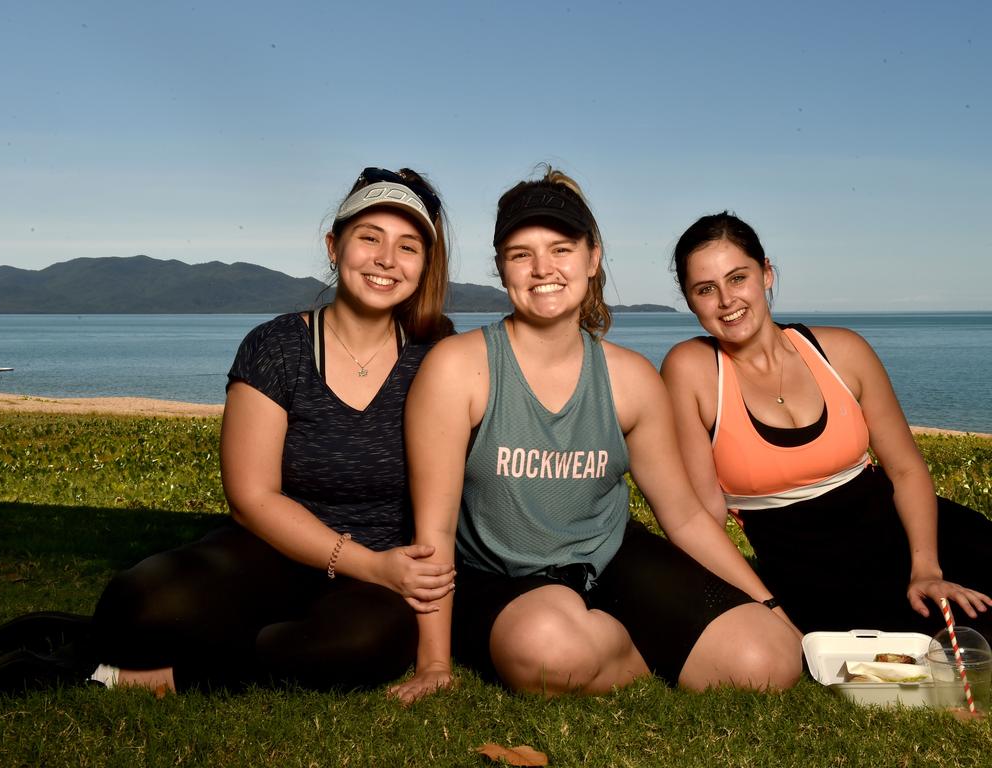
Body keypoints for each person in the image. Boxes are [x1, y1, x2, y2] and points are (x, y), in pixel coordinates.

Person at [0, 167, 456, 705]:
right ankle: (98, 632)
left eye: (407, 246)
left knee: (364, 645)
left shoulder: (436, 359)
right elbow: (251, 498)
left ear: (423, 266)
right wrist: (365, 560)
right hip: (271, 553)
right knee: (144, 603)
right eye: (369, 237)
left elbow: (442, 506)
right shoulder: (276, 346)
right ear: (333, 245)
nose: (387, 259)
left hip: (375, 581)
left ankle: (100, 669)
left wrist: (403, 606)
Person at [389, 169, 802, 705]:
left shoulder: (630, 379)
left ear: (592, 257)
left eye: (561, 249)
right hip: (500, 577)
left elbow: (682, 516)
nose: (543, 269)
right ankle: (628, 646)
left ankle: (616, 634)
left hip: (608, 562)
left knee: (765, 660)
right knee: (550, 648)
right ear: (501, 269)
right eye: (521, 254)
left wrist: (773, 610)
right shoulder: (458, 368)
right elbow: (435, 532)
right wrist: (434, 663)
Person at [660, 211, 992, 641]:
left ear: (766, 275)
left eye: (738, 278)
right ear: (690, 301)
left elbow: (906, 470)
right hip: (807, 563)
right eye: (706, 289)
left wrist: (926, 568)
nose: (726, 300)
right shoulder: (691, 370)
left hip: (906, 532)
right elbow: (703, 514)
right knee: (943, 638)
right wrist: (766, 606)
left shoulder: (843, 350)